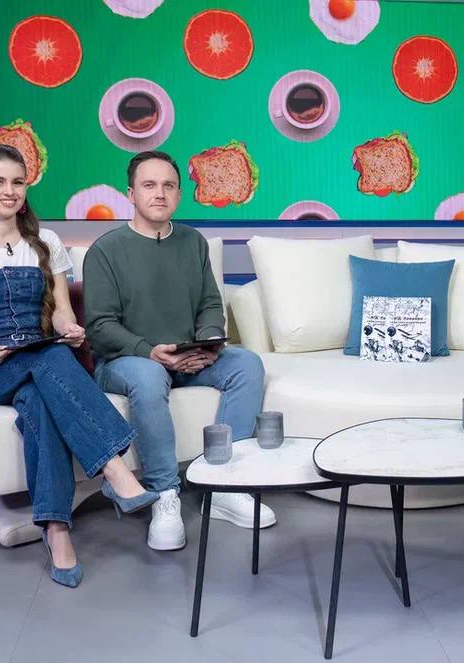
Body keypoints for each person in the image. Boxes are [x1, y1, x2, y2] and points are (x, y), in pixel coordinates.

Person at [0, 143, 158, 588]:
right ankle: (114, 468)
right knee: (52, 358)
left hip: (33, 360)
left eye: (18, 182)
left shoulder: (46, 242)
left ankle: (57, 532)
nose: (9, 191)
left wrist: (69, 328)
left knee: (41, 392)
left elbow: (60, 312)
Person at [84, 151, 270, 551]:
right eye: (149, 185)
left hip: (187, 357)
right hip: (127, 362)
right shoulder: (105, 250)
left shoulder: (193, 242)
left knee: (247, 363)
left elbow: (210, 304)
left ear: (179, 194)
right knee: (150, 376)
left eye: (168, 185)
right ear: (130, 194)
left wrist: (208, 344)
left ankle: (223, 484)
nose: (160, 193)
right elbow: (99, 326)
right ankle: (164, 493)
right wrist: (150, 352)